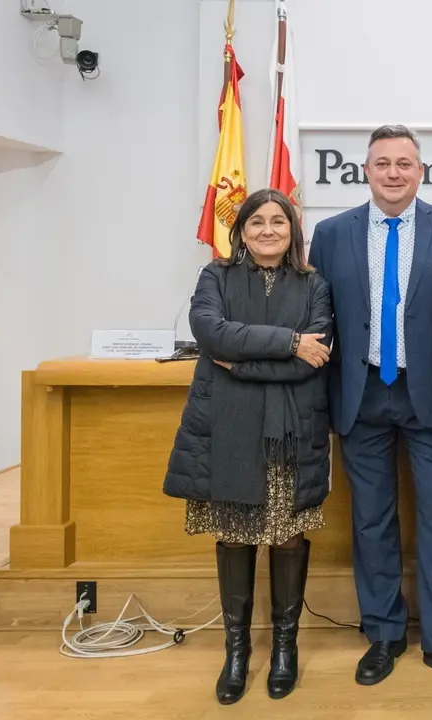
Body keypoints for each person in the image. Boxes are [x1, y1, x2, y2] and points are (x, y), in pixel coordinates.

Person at [307, 125, 432, 690]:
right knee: (372, 520)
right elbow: (318, 317)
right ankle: (383, 635)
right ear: (365, 170)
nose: (393, 172)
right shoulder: (331, 234)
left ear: (420, 171)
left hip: (431, 395)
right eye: (382, 163)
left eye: (403, 163)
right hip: (360, 394)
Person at [164, 188, 334, 704]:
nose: (267, 230)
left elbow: (316, 353)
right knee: (235, 537)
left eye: (277, 222)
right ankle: (236, 652)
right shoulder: (215, 276)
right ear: (240, 231)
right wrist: (286, 342)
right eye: (256, 221)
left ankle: (286, 647)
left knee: (287, 538)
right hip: (229, 429)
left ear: (292, 231)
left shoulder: (314, 285)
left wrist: (243, 362)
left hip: (289, 431)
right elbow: (212, 334)